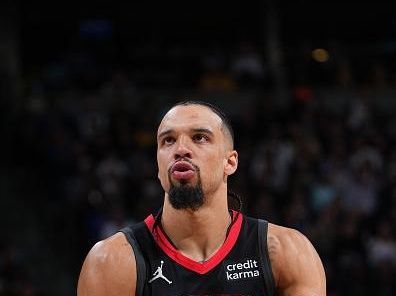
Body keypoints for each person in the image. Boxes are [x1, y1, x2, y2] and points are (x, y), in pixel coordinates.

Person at [77, 100, 326, 295]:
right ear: (158, 163)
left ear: (230, 162)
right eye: (168, 140)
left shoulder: (286, 252)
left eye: (199, 137)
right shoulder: (112, 261)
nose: (180, 149)